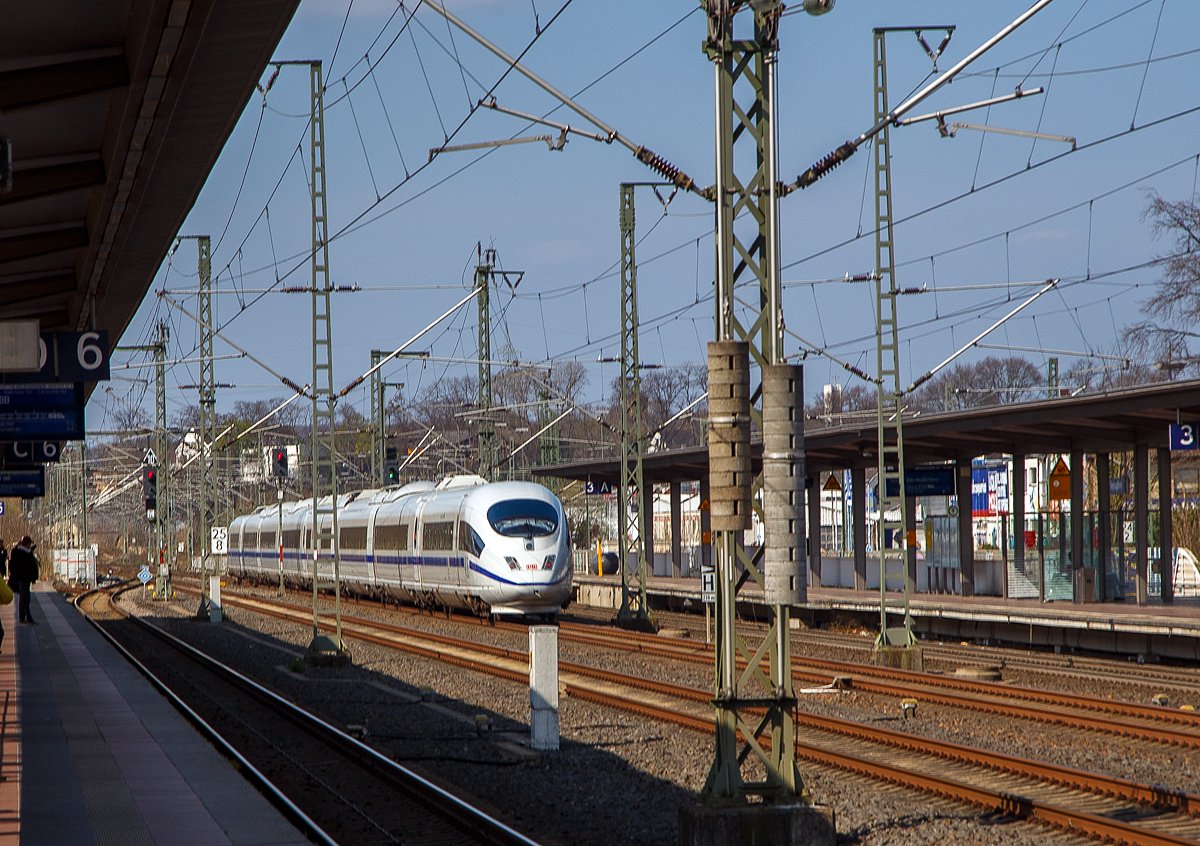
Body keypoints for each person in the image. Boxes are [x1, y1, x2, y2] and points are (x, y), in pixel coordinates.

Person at [10, 536, 39, 626]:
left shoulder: (16, 552)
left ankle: (28, 618)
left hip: (19, 578)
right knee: (24, 599)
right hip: (24, 579)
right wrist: (33, 578)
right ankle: (23, 618)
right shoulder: (26, 554)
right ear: (28, 544)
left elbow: (11, 562)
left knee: (25, 599)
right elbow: (31, 567)